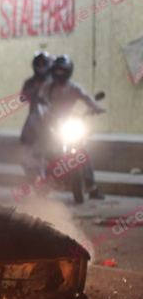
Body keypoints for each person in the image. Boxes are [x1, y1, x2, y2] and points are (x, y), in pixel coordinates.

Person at [39, 54, 107, 199]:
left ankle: (91, 187)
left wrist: (95, 108)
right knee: (45, 149)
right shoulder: (47, 88)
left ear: (68, 71)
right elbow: (41, 102)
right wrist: (43, 114)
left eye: (62, 70)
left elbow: (87, 98)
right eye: (57, 70)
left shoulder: (74, 88)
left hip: (70, 121)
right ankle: (43, 181)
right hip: (53, 123)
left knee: (83, 151)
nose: (59, 73)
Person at [20, 51, 53, 186]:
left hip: (53, 120)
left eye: (43, 65)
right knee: (29, 149)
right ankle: (31, 174)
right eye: (38, 65)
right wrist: (34, 90)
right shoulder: (30, 82)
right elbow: (22, 98)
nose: (41, 68)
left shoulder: (54, 82)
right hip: (34, 121)